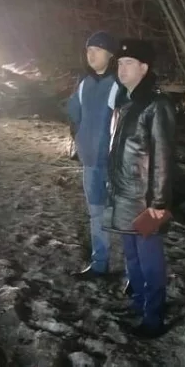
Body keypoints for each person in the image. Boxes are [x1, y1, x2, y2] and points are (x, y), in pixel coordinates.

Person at [105, 38, 175, 339]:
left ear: (144, 68)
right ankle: (138, 303)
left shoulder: (156, 105)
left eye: (129, 63)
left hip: (146, 200)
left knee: (150, 261)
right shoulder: (126, 103)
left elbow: (163, 156)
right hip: (124, 194)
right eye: (120, 63)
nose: (121, 69)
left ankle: (154, 316)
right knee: (132, 257)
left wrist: (159, 201)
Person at [66, 31, 121, 278]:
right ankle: (100, 263)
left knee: (122, 215)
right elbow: (73, 112)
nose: (91, 54)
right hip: (90, 162)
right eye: (89, 50)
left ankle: (134, 272)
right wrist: (79, 137)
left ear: (110, 54)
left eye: (97, 50)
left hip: (114, 164)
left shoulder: (119, 84)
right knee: (96, 213)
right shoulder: (84, 83)